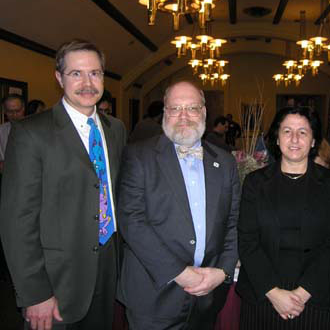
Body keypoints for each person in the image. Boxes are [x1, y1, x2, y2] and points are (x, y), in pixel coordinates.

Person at [0, 39, 127, 330]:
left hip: (107, 267)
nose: (87, 83)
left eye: (94, 73)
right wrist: (35, 293)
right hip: (56, 281)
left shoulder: (115, 129)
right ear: (59, 78)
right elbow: (17, 221)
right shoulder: (31, 133)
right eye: (76, 73)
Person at [117, 80, 240, 329]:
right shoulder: (138, 155)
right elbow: (132, 221)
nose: (183, 116)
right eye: (175, 109)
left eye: (192, 108)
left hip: (207, 295)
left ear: (204, 112)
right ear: (165, 113)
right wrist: (181, 273)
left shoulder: (225, 162)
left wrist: (223, 271)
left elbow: (234, 221)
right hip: (153, 296)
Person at [236, 106, 330, 330]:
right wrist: (274, 293)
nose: (294, 139)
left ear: (313, 141)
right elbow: (247, 241)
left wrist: (302, 294)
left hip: (314, 297)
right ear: (276, 138)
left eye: (303, 132)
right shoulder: (255, 183)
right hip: (262, 296)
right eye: (287, 131)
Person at [0, 93, 25, 170]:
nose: (14, 115)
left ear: (23, 109)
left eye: (17, 111)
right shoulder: (1, 130)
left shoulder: (35, 129)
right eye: (10, 111)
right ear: (4, 111)